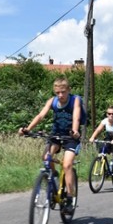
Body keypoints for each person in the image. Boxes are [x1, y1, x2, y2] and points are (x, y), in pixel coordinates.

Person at [18, 77, 84, 215]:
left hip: (71, 136)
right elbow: (41, 115)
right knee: (46, 157)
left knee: (67, 165)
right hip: (56, 134)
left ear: (69, 90)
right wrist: (28, 129)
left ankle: (70, 199)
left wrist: (75, 130)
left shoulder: (75, 100)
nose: (60, 95)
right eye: (57, 92)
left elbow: (76, 116)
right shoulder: (52, 101)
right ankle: (53, 176)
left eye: (63, 92)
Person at [89, 106, 113, 175]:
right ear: (107, 114)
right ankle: (103, 169)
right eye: (109, 113)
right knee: (102, 150)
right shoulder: (104, 121)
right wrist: (92, 137)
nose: (111, 115)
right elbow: (98, 130)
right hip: (109, 138)